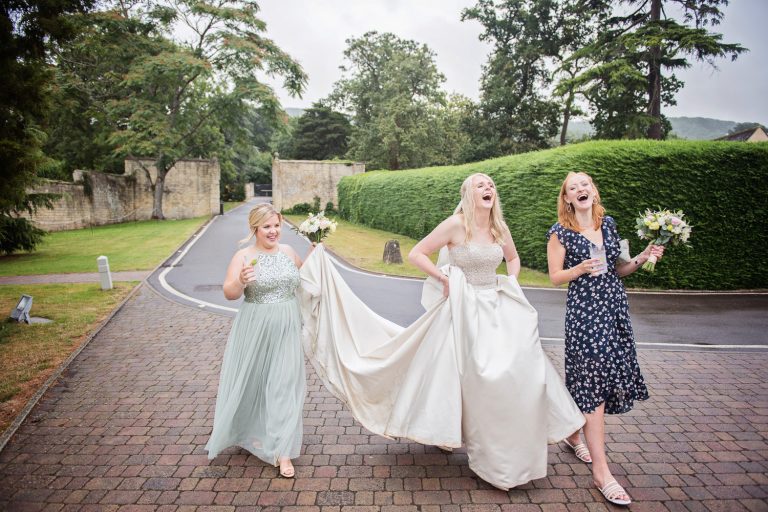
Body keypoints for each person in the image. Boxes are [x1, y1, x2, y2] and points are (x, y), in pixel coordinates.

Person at [299, 173, 585, 490]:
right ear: (468, 193)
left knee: (521, 369)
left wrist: (511, 281)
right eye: (480, 185)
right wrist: (444, 277)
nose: (488, 188)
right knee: (466, 375)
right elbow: (417, 253)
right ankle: (470, 440)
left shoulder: (498, 227)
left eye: (491, 185)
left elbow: (513, 259)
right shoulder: (455, 225)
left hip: (496, 307)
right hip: (461, 309)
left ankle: (523, 442)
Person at [546, 171, 664, 506]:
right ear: (567, 198)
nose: (581, 189)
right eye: (573, 187)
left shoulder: (608, 224)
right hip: (585, 315)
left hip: (614, 311)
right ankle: (602, 472)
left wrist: (643, 256)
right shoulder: (560, 232)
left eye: (585, 184)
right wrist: (579, 268)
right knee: (594, 381)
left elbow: (619, 269)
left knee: (594, 378)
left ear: (593, 191)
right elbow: (555, 276)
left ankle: (572, 434)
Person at [205, 203, 310, 478]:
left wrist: (316, 250)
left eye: (277, 225)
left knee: (283, 385)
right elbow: (229, 292)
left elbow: (308, 279)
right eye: (267, 227)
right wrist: (240, 280)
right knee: (255, 382)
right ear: (255, 229)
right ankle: (249, 430)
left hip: (287, 327)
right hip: (255, 327)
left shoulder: (288, 252)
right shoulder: (244, 256)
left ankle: (283, 451)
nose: (273, 231)